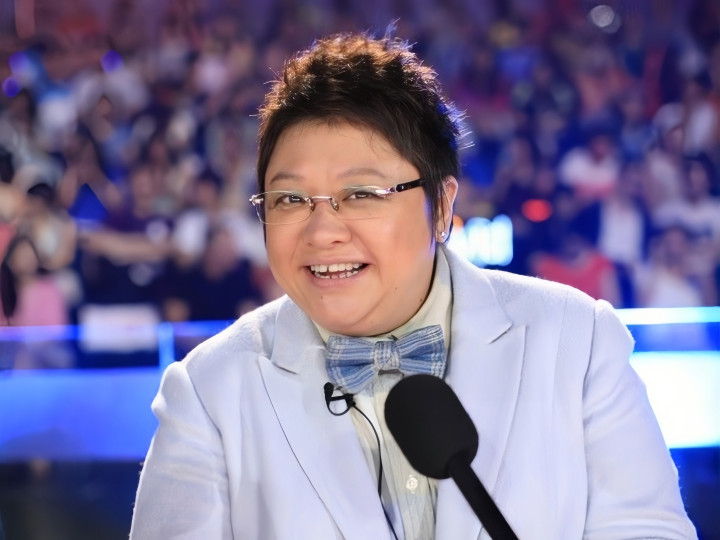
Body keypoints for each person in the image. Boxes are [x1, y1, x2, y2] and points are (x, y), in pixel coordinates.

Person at [130, 33, 696, 539]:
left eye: (361, 194)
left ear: (442, 205)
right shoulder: (207, 391)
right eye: (290, 199)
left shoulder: (579, 342)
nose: (322, 231)